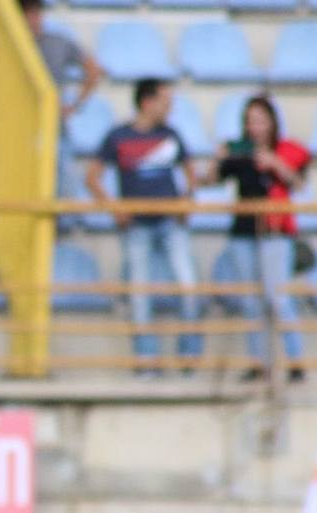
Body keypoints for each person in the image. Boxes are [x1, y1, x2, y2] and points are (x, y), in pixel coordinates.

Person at [86, 78, 201, 376]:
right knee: (140, 294)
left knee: (189, 287)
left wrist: (187, 201)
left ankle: (189, 356)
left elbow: (191, 174)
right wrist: (115, 209)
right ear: (147, 102)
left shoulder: (171, 135)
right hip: (137, 225)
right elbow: (93, 177)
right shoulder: (119, 136)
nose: (169, 107)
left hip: (169, 222)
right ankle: (146, 360)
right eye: (164, 100)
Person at [204, 94, 310, 383]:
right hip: (244, 231)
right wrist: (219, 157)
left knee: (278, 297)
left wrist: (274, 163)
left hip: (275, 230)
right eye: (251, 121)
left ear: (272, 122)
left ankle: (296, 361)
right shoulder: (241, 153)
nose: (255, 127)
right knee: (251, 300)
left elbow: (298, 183)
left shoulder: (285, 150)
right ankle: (259, 363)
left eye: (261, 120)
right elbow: (210, 180)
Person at [21, 0, 103, 225]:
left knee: (65, 187)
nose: (33, 18)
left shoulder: (57, 42)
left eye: (36, 12)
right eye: (27, 13)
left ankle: (59, 236)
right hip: (19, 127)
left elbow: (94, 69)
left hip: (53, 125)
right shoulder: (11, 46)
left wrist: (75, 105)